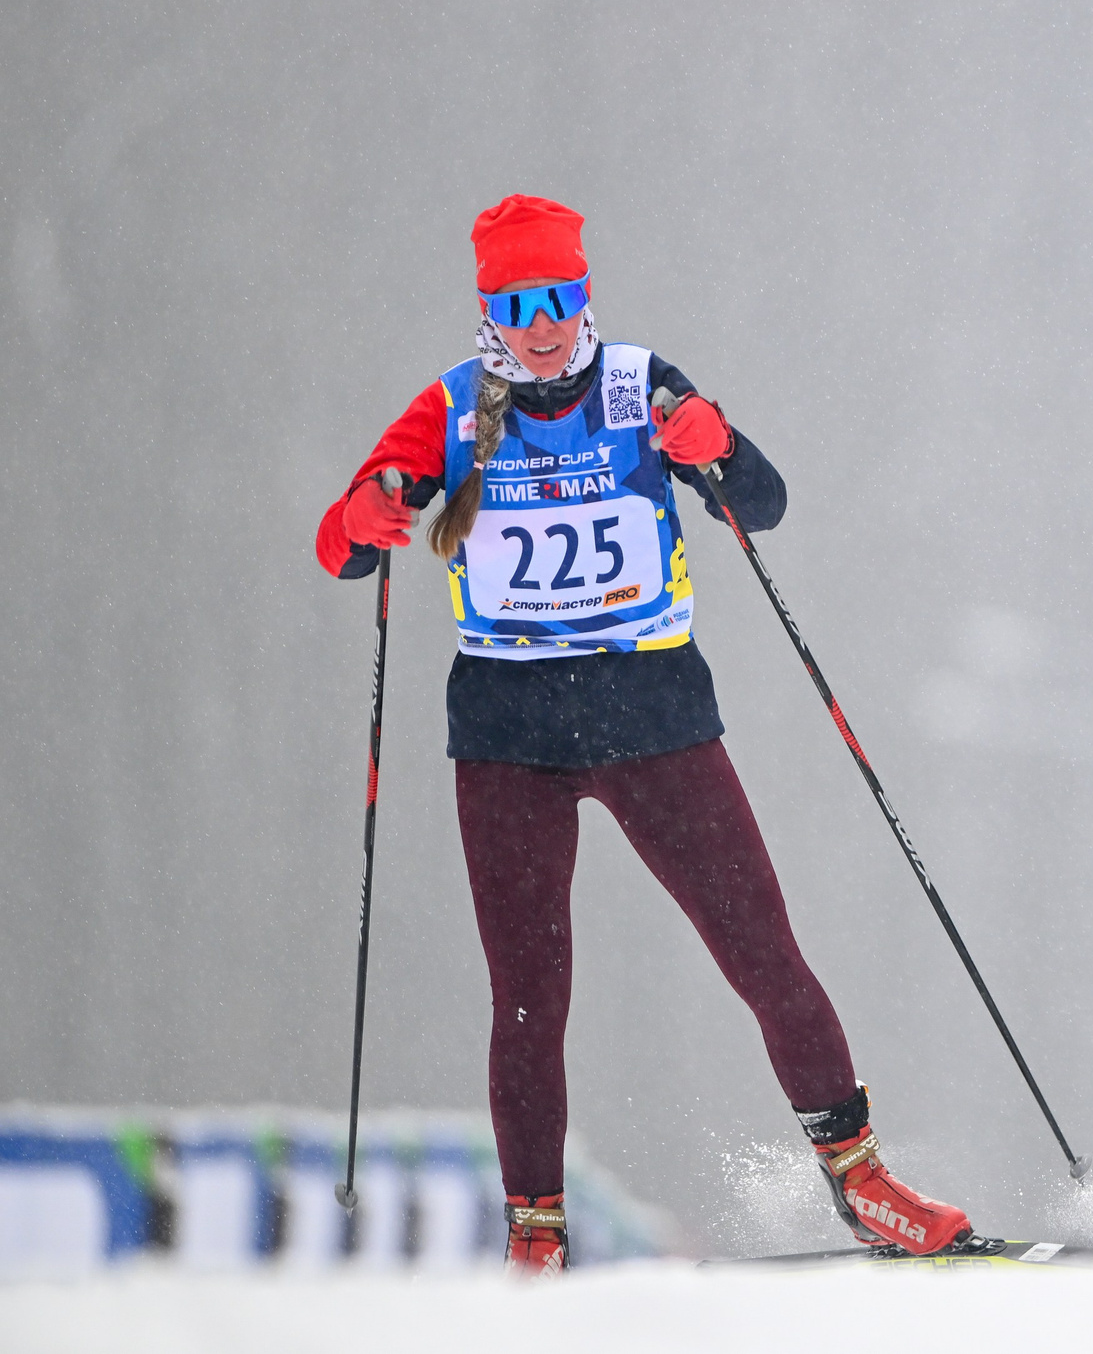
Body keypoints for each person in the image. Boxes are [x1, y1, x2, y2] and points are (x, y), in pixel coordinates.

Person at [313, 194, 969, 1273]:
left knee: (763, 953)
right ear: (489, 309)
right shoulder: (446, 408)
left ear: (584, 295)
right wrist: (365, 514)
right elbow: (345, 549)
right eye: (515, 304)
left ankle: (863, 1187)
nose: (539, 326)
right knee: (528, 999)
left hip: (652, 718)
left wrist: (717, 445)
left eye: (557, 299)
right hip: (508, 736)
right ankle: (536, 1235)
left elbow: (760, 502)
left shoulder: (637, 385)